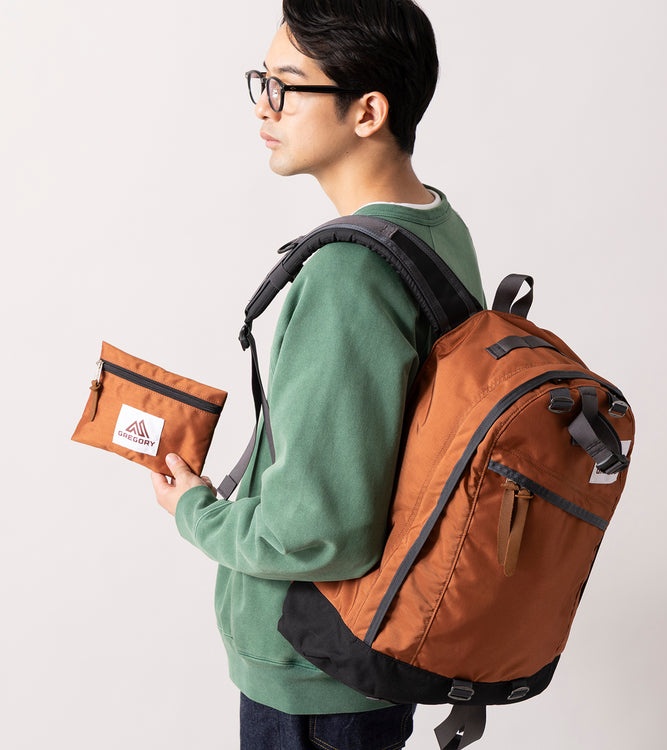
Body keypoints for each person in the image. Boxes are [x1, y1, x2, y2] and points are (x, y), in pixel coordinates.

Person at [151, 1, 485, 747]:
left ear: (368, 111)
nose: (263, 107)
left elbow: (316, 532)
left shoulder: (349, 274)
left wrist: (194, 510)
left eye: (287, 86)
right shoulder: (436, 226)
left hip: (315, 678)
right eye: (261, 82)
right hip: (366, 661)